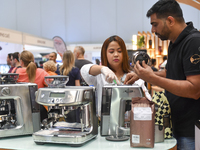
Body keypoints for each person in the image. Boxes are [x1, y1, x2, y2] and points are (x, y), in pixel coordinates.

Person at [124, 1, 200, 149]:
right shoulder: (175, 43)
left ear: (170, 20)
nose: (152, 30)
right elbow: (172, 72)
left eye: (155, 24)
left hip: (191, 131)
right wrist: (143, 75)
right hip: (177, 125)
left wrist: (152, 78)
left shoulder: (193, 42)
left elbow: (195, 89)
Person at [81, 35, 151, 117]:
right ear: (105, 54)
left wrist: (141, 94)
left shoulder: (133, 76)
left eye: (119, 51)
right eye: (111, 52)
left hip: (131, 123)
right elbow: (84, 70)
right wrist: (103, 69)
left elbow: (149, 103)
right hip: (106, 123)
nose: (116, 55)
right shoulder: (100, 76)